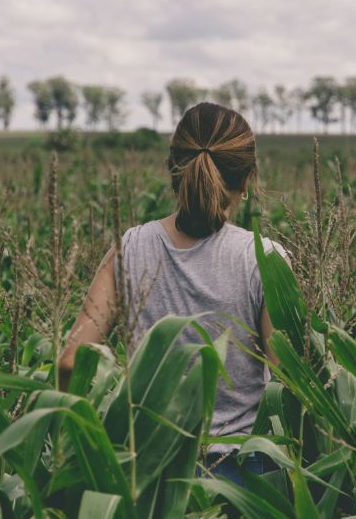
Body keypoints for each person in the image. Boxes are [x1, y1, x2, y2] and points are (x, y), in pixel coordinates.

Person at [58, 101, 286, 485]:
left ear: (173, 169)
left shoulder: (128, 247)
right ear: (247, 179)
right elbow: (285, 381)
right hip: (244, 479)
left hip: (148, 474)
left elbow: (69, 363)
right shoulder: (265, 259)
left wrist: (88, 449)